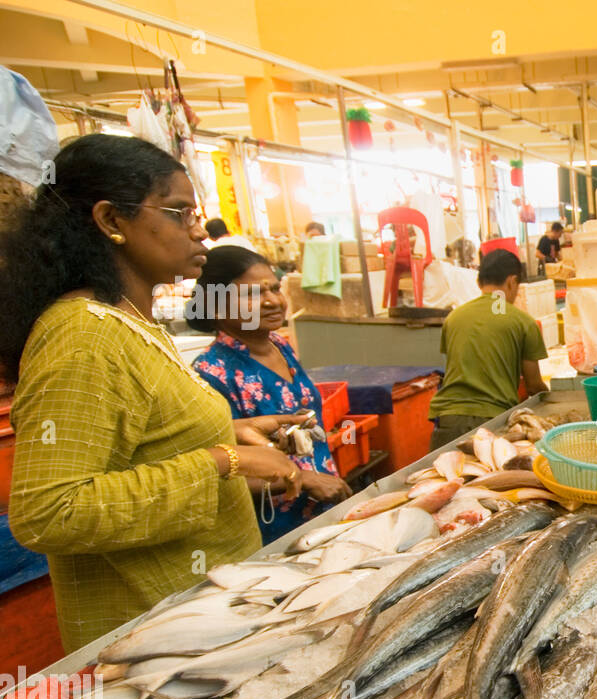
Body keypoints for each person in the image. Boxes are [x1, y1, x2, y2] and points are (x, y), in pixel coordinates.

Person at [0, 134, 304, 651]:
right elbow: (50, 511)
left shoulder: (127, 321)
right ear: (111, 221)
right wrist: (226, 461)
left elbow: (136, 438)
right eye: (180, 213)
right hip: (155, 641)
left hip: (210, 615)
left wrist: (232, 433)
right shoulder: (83, 336)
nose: (199, 233)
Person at [189, 246, 352, 544]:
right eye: (252, 294)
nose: (272, 301)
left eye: (275, 289)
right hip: (273, 529)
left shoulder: (280, 344)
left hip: (324, 512)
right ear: (214, 304)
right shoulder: (211, 373)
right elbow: (222, 473)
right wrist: (302, 480)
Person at [428, 249, 547, 450]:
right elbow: (534, 387)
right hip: (491, 423)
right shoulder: (523, 322)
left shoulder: (454, 318)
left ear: (478, 282)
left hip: (446, 419)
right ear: (512, 282)